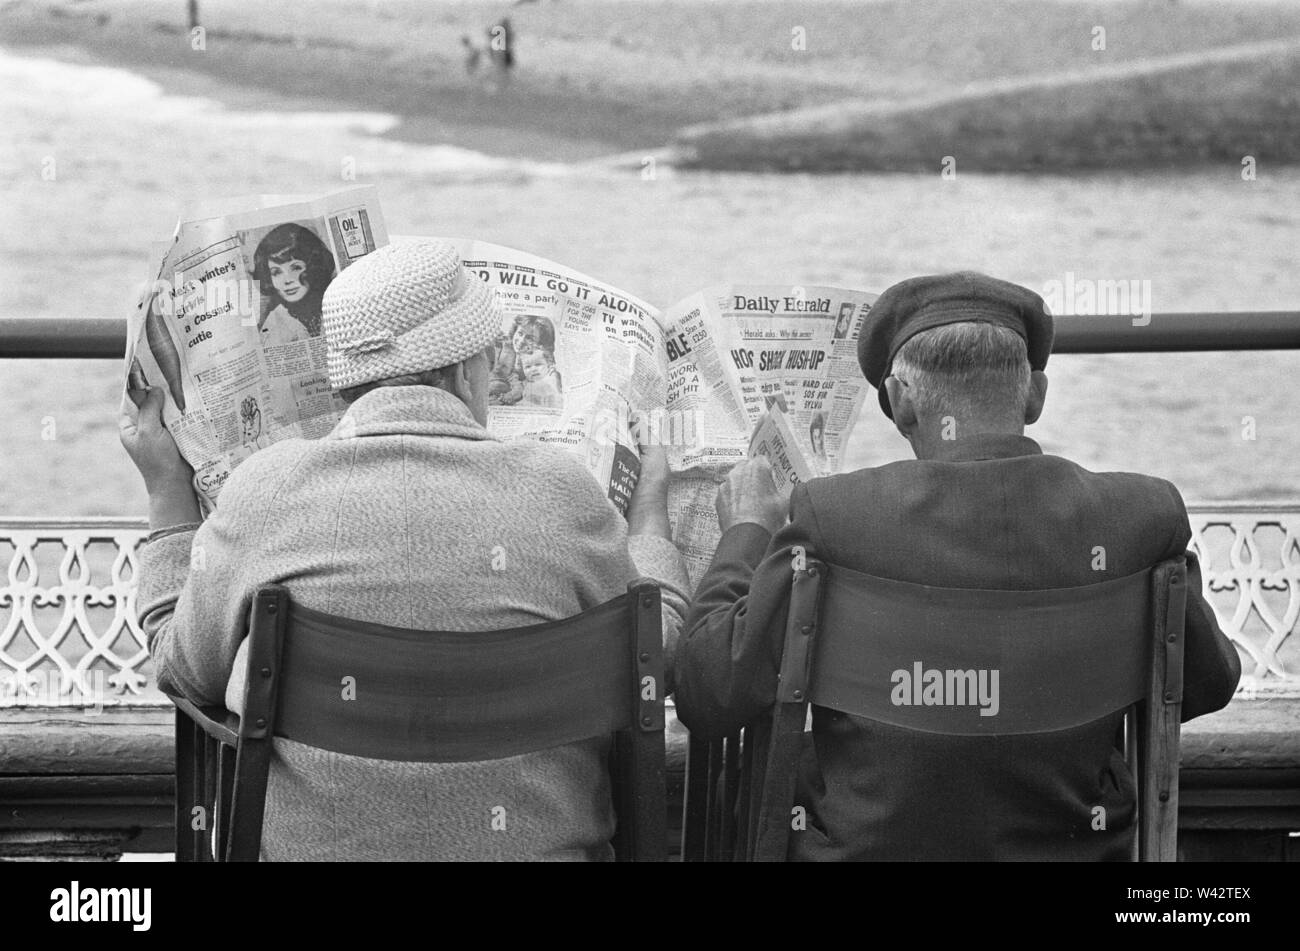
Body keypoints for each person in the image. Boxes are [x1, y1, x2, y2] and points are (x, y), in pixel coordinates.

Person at [121, 240, 691, 861]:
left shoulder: (266, 491)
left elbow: (183, 668)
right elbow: (651, 660)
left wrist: (166, 492)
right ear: (466, 367)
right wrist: (651, 515)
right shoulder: (560, 493)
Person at [674, 271, 1241, 861]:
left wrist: (746, 530)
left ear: (899, 403)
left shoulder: (834, 519)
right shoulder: (1141, 518)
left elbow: (708, 690)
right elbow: (1206, 682)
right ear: (1035, 395)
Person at [252, 223, 336, 346]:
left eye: (296, 267)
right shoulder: (273, 324)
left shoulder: (335, 304)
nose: (287, 280)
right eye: (276, 272)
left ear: (313, 267)